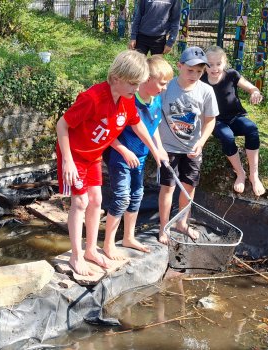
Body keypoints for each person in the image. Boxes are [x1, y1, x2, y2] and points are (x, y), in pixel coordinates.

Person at [56, 50, 168, 276]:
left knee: (96, 200)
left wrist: (156, 151)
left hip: (94, 155)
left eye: (139, 84)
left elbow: (138, 126)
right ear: (116, 78)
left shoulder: (126, 101)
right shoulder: (93, 98)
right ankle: (76, 256)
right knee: (80, 202)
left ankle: (90, 250)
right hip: (75, 155)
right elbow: (62, 125)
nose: (136, 89)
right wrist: (67, 160)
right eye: (133, 83)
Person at [103, 55, 173, 259]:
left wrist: (158, 148)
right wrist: (123, 150)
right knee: (121, 197)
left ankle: (128, 237)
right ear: (147, 79)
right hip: (120, 156)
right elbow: (108, 132)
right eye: (162, 83)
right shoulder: (128, 100)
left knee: (137, 195)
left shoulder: (156, 100)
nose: (165, 87)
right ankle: (108, 244)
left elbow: (153, 126)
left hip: (140, 156)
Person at [157, 46, 218, 242]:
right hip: (168, 148)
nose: (195, 75)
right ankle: (163, 227)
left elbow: (210, 120)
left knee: (189, 187)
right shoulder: (166, 88)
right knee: (168, 188)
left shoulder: (206, 91)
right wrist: (158, 147)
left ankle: (182, 223)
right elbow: (155, 117)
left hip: (192, 149)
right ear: (179, 66)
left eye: (200, 71)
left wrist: (201, 142)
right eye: (190, 70)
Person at [202, 46, 265, 196]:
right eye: (210, 64)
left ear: (224, 63)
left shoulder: (231, 75)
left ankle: (254, 175)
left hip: (235, 117)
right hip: (215, 121)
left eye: (218, 64)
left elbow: (251, 87)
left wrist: (255, 92)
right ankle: (240, 173)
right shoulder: (201, 80)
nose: (214, 68)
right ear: (204, 65)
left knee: (252, 129)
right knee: (227, 136)